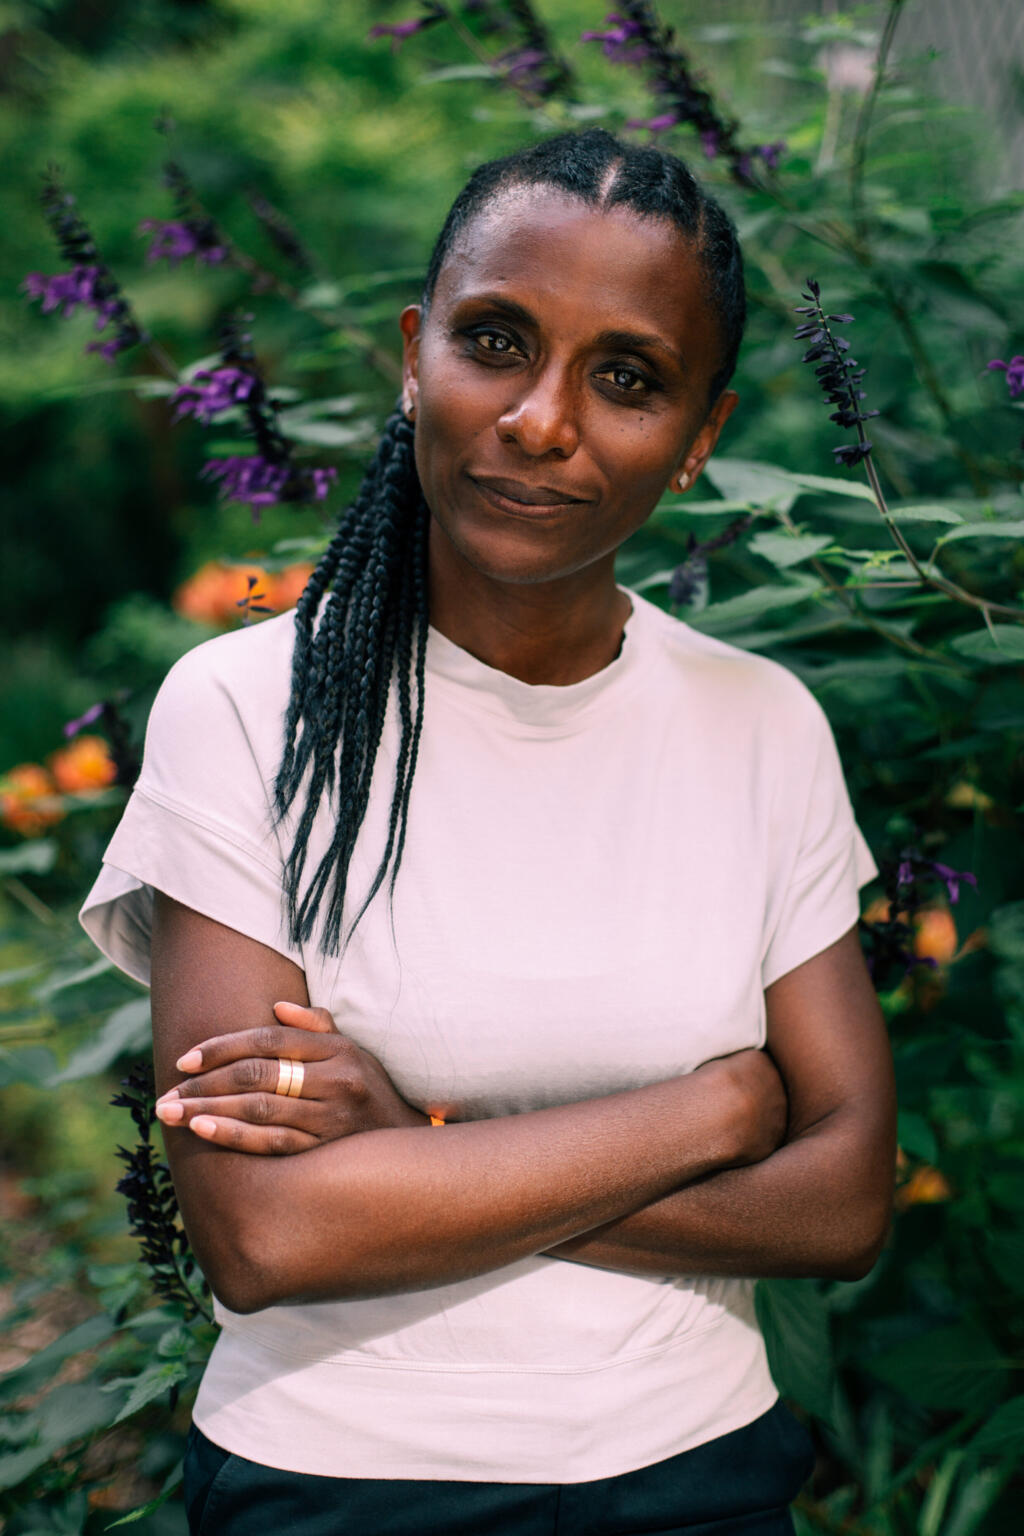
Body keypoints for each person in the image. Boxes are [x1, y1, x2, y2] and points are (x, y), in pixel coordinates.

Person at [81, 128, 896, 1536]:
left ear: (703, 433)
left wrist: (414, 1136)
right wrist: (712, 1113)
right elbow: (264, 1235)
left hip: (698, 1473)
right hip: (333, 1485)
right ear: (416, 357)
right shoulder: (242, 711)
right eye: (497, 342)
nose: (542, 419)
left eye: (628, 378)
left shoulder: (762, 724)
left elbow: (839, 1202)